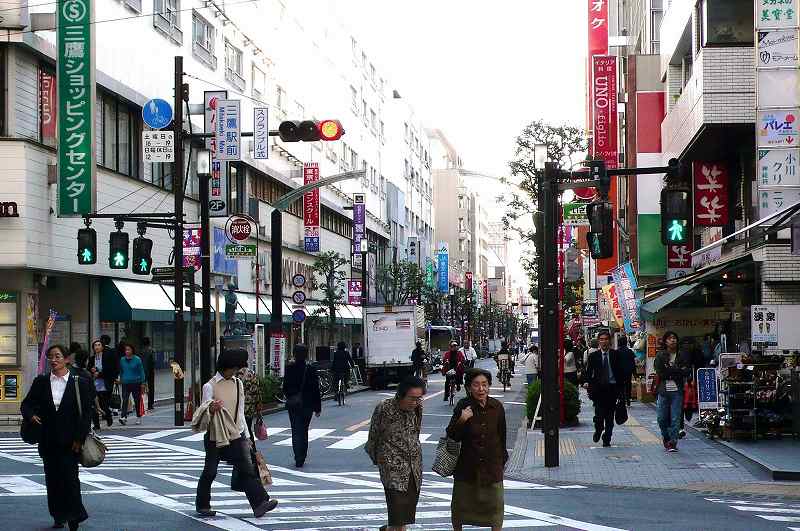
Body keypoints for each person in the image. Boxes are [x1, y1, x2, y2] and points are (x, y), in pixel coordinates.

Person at [195, 350, 278, 518]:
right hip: (215, 436)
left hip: (235, 434)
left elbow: (240, 413)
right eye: (233, 368)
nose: (235, 372)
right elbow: (203, 412)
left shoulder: (238, 383)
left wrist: (246, 437)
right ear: (225, 367)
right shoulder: (209, 386)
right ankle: (203, 504)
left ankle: (260, 503)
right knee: (210, 471)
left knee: (247, 469)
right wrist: (211, 408)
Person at [21, 344, 93, 530]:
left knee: (70, 480)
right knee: (52, 480)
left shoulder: (80, 382)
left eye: (58, 356)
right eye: (50, 357)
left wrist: (79, 438)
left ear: (67, 359)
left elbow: (86, 414)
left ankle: (75, 517)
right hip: (48, 440)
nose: (53, 360)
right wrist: (30, 415)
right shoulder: (41, 382)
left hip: (71, 442)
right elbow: (26, 404)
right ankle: (58, 514)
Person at [447, 368, 507, 531]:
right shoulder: (463, 406)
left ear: (489, 386)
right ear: (468, 387)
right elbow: (452, 435)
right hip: (467, 468)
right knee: (460, 510)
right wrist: (462, 419)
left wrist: (501, 461)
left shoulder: (497, 407)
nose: (481, 389)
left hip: (492, 468)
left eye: (484, 385)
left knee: (496, 510)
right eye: (476, 385)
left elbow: (502, 436)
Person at [365, 376, 426, 531]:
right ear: (401, 395)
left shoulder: (418, 408)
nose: (415, 402)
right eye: (412, 398)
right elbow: (373, 437)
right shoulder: (384, 408)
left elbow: (415, 433)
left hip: (413, 469)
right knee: (398, 517)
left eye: (418, 398)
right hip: (392, 470)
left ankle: (388, 529)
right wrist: (380, 461)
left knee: (403, 516)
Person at [282, 344, 322, 467]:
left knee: (295, 430)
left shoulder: (289, 368)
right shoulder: (311, 369)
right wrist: (318, 407)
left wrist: (290, 396)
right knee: (304, 430)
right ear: (306, 354)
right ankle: (302, 456)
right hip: (308, 405)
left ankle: (297, 457)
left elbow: (285, 388)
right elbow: (316, 389)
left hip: (293, 404)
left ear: (294, 354)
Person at [585, 330, 625, 447]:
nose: (604, 342)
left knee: (609, 417)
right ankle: (598, 430)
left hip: (612, 389)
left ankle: (607, 438)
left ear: (610, 341)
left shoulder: (616, 355)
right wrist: (587, 383)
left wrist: (621, 391)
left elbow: (621, 372)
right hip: (598, 390)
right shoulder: (593, 356)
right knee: (599, 416)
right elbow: (588, 372)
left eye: (606, 339)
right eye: (601, 339)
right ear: (598, 341)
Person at [655, 331, 690, 452]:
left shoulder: (682, 355)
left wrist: (671, 370)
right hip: (663, 390)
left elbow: (686, 372)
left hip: (677, 391)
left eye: (674, 338)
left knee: (675, 418)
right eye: (670, 338)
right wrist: (676, 370)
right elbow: (660, 372)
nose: (672, 340)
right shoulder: (660, 355)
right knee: (661, 418)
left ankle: (673, 442)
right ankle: (666, 436)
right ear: (665, 341)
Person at [88, 339, 117, 429]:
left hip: (105, 383)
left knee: (104, 404)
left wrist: (100, 374)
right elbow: (89, 368)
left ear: (102, 347)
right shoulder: (92, 358)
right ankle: (96, 425)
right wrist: (92, 370)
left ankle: (108, 416)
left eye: (99, 345)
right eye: (95, 345)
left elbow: (110, 369)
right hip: (94, 384)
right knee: (94, 405)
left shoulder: (107, 357)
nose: (97, 347)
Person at [118, 343, 146, 426]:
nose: (127, 351)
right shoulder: (122, 359)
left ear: (132, 350)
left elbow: (141, 371)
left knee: (136, 400)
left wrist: (143, 382)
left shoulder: (137, 359)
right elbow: (121, 371)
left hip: (136, 382)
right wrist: (120, 378)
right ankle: (123, 417)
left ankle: (138, 416)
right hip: (125, 383)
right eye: (126, 350)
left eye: (128, 350)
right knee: (125, 399)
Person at [617, 335, 636, 406]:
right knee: (628, 384)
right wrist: (635, 373)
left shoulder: (617, 352)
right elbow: (633, 362)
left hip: (619, 372)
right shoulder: (629, 351)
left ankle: (621, 399)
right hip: (628, 371)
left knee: (620, 385)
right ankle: (628, 399)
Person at [140, 337, 156, 411]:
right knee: (151, 387)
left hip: (142, 371)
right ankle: (150, 404)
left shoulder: (141, 351)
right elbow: (153, 362)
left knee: (143, 387)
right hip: (150, 371)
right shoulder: (151, 351)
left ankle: (143, 403)